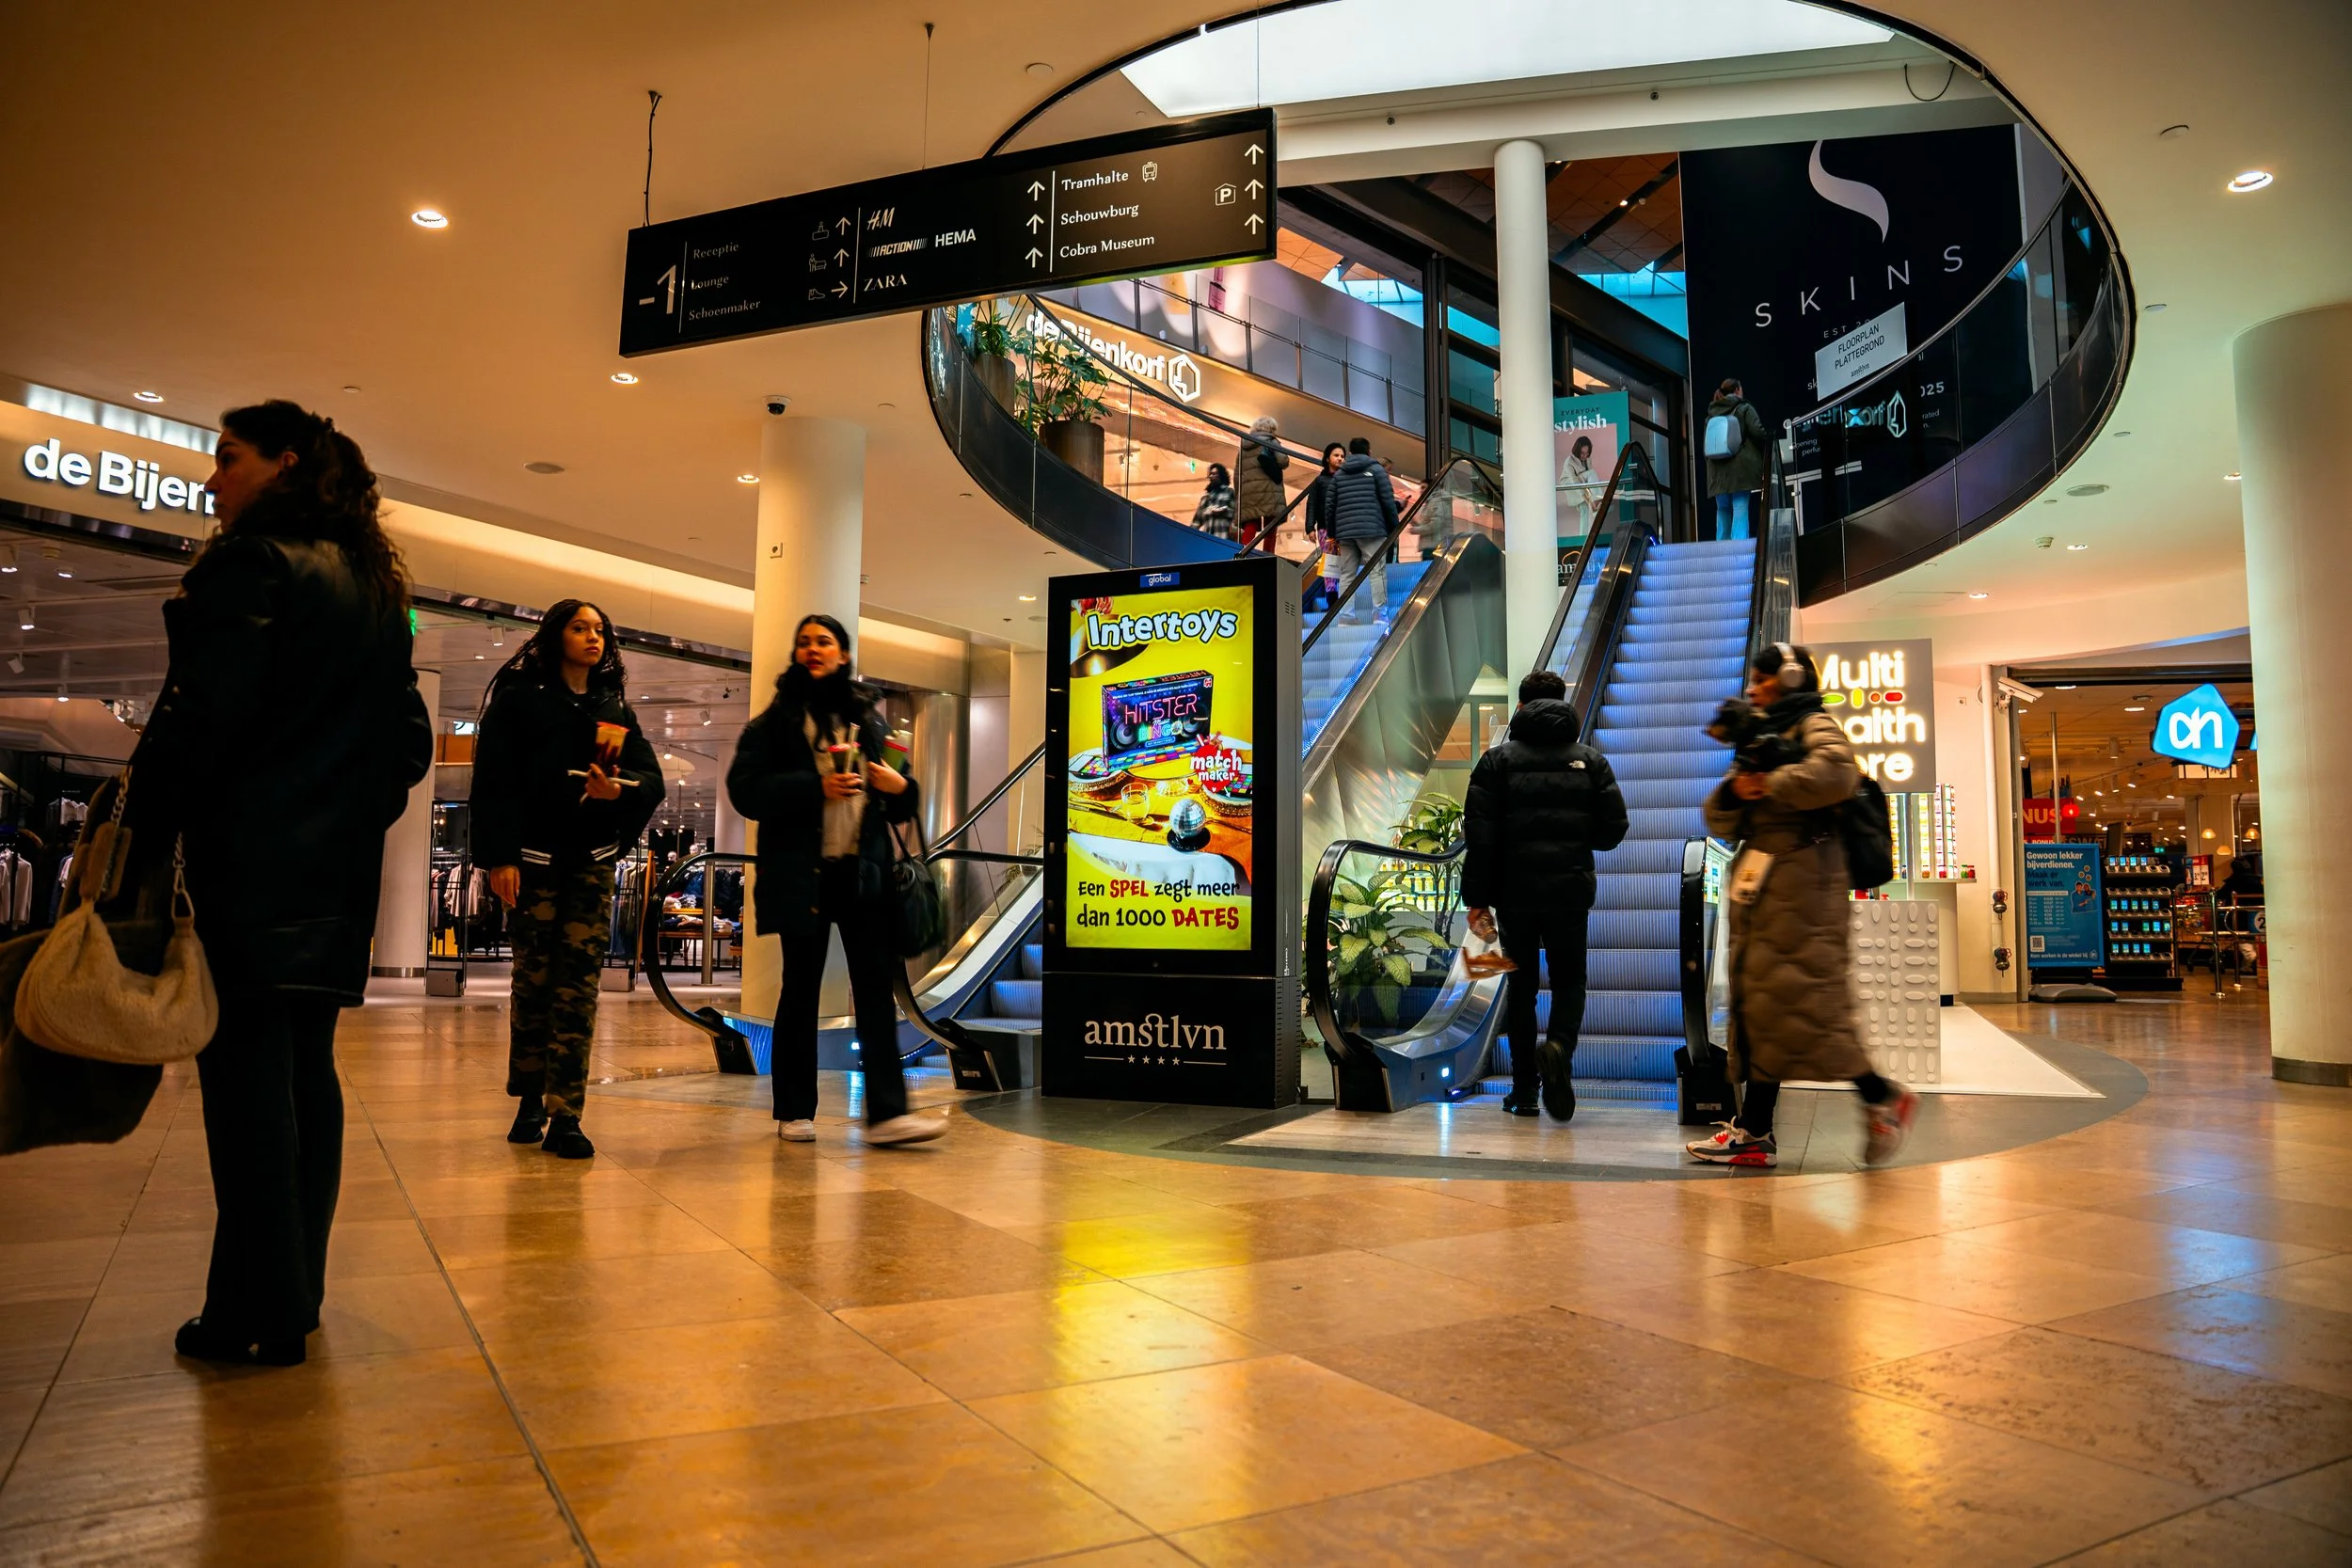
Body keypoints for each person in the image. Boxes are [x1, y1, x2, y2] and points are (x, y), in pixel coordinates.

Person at [132, 400, 432, 1367]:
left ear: (285, 462)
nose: (213, 477)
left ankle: (253, 1312)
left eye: (228, 458)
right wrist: (350, 817)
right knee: (306, 1073)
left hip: (251, 863)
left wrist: (143, 836)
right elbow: (408, 741)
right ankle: (284, 1297)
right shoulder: (376, 589)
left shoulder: (250, 565)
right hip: (335, 874)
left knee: (248, 1087)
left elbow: (201, 717)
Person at [1687, 643, 1918, 1168]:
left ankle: (1882, 1095)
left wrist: (1769, 783)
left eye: (1762, 680)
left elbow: (1839, 773)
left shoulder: (1813, 724)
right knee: (1769, 1009)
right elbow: (1719, 814)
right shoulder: (1764, 736)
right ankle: (1756, 1131)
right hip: (1771, 890)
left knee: (1810, 1009)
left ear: (1790, 679)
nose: (1752, 689)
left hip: (1805, 890)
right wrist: (1736, 795)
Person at [727, 614, 944, 1146]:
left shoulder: (866, 722)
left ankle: (889, 1114)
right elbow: (746, 791)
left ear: (843, 655)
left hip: (863, 875)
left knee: (874, 990)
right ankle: (795, 1110)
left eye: (824, 642)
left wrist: (899, 787)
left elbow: (899, 805)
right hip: (804, 876)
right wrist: (814, 787)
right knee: (800, 989)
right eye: (804, 642)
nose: (812, 649)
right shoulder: (775, 724)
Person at [470, 598, 663, 1159]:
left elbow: (650, 779)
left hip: (592, 864)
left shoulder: (613, 707)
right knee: (534, 983)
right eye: (580, 628)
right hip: (531, 863)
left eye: (599, 629)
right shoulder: (518, 703)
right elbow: (494, 785)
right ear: (556, 636)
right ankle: (530, 1096)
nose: (592, 637)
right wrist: (498, 858)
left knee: (577, 989)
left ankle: (567, 1113)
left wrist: (618, 789)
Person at [1464, 670, 1629, 1120]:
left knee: (1521, 989)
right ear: (1563, 703)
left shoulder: (1496, 762)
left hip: (1513, 895)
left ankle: (1523, 1092)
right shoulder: (1590, 761)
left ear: (1520, 707)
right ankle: (1558, 1049)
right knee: (1569, 981)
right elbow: (1614, 830)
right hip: (1570, 891)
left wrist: (1476, 901)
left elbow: (1479, 837)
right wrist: (1576, 838)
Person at [1326, 436, 1400, 624]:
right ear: (1369, 452)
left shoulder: (1339, 475)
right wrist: (1394, 526)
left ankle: (1345, 617)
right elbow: (1387, 501)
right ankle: (1379, 615)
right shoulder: (1377, 470)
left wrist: (1333, 533)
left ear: (1349, 454)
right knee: (1377, 571)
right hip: (1372, 530)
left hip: (1346, 533)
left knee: (1347, 574)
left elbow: (1330, 506)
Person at [1704, 377, 1771, 542]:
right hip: (1740, 470)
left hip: (1717, 472)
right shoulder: (1744, 408)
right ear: (1737, 390)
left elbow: (1706, 447)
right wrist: (1768, 444)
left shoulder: (1710, 416)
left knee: (1723, 509)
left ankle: (1722, 549)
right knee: (1740, 507)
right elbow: (1757, 432)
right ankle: (1739, 547)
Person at [1232, 415, 1288, 550]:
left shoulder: (1244, 446)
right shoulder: (1272, 441)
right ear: (1271, 428)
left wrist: (1239, 494)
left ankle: (1243, 553)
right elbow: (1283, 461)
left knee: (1250, 524)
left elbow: (1236, 474)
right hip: (1269, 490)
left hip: (1249, 493)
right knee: (1270, 527)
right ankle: (1267, 556)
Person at [1303, 442, 1345, 610]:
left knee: (1345, 564)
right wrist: (1309, 527)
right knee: (1330, 565)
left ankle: (1345, 599)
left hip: (1345, 528)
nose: (1340, 459)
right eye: (1336, 455)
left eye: (1342, 456)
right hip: (1325, 529)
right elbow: (1311, 504)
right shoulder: (1320, 480)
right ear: (1327, 458)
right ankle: (1332, 602)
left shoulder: (1346, 479)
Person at [1557, 434, 1599, 545]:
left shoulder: (1588, 459)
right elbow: (1574, 481)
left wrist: (1589, 498)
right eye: (1582, 453)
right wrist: (1587, 498)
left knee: (1585, 511)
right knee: (1592, 473)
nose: (1585, 456)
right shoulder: (1569, 462)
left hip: (1582, 482)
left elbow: (1591, 480)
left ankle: (1583, 539)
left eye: (1587, 453)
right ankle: (1597, 502)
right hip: (1570, 484)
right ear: (1577, 450)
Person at [1190, 463, 1237, 542]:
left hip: (1224, 540)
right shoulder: (1205, 498)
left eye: (1214, 474)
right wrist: (1188, 535)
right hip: (1208, 541)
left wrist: (1224, 512)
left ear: (1221, 475)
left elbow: (1237, 516)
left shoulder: (1229, 492)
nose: (1211, 476)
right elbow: (1196, 522)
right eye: (1210, 474)